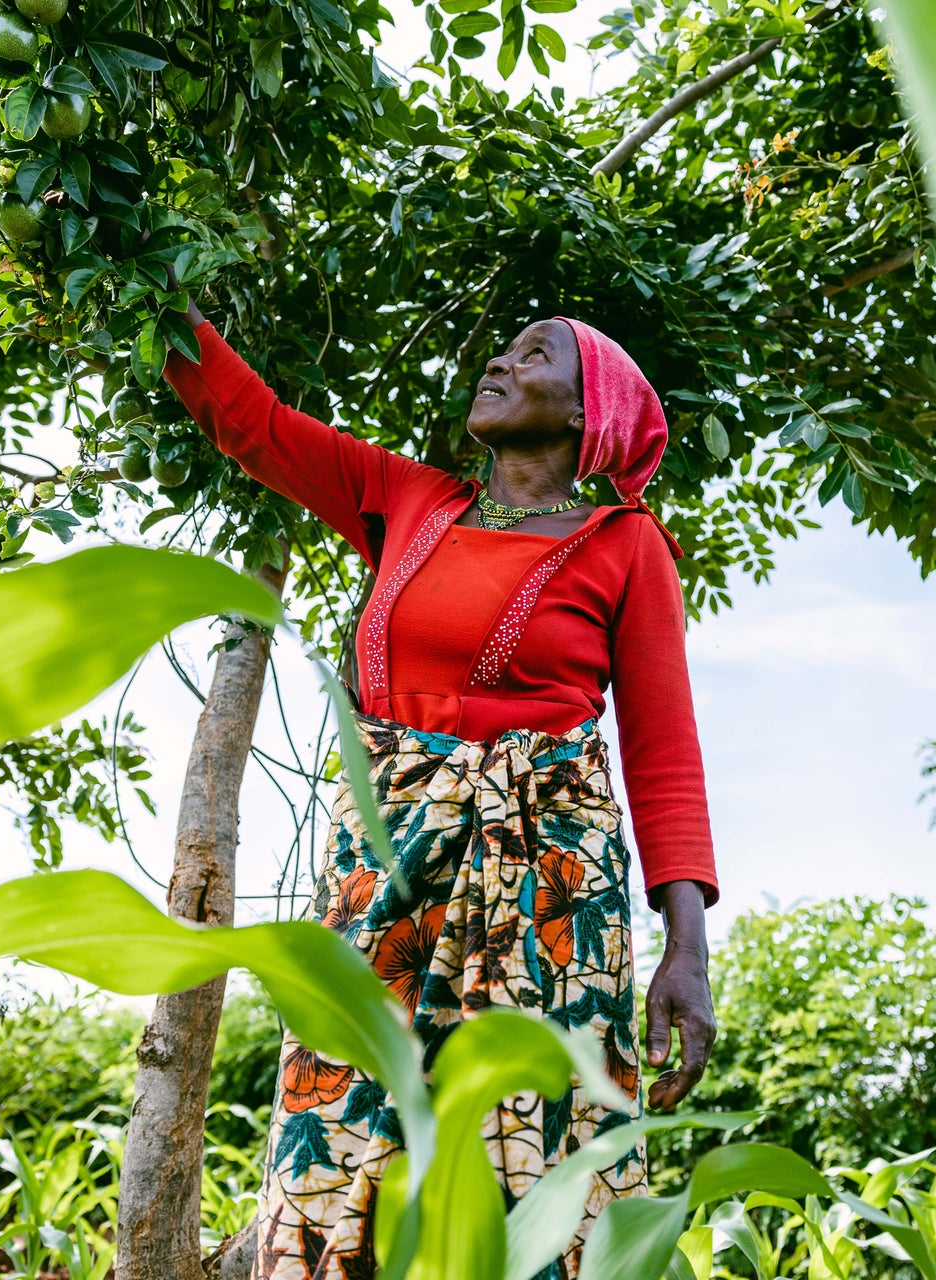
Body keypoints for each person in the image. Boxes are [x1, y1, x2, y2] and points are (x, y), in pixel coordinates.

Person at [163, 302, 717, 1280]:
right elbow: (253, 423)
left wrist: (688, 948)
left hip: (549, 896)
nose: (500, 359)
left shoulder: (628, 546)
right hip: (378, 881)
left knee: (533, 1168)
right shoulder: (407, 499)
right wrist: (153, 288)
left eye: (532, 352)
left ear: (589, 411)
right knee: (335, 1147)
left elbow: (664, 749)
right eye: (503, 347)